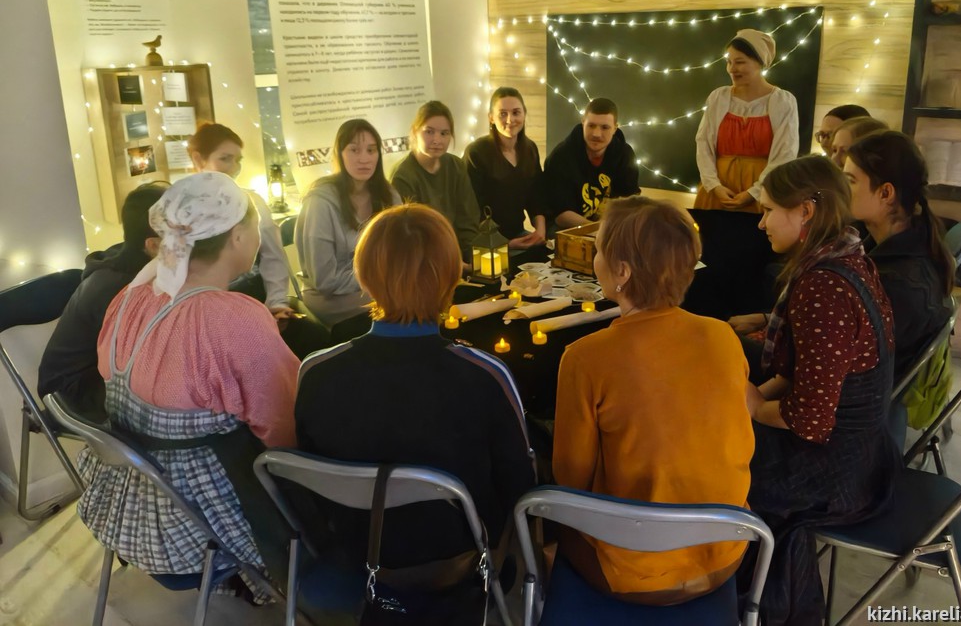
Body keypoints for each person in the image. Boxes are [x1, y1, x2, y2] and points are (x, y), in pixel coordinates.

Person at [75, 172, 299, 600]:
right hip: (202, 521)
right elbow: (282, 427)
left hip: (132, 504)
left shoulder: (130, 297)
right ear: (237, 237)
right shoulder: (232, 318)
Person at [296, 204, 535, 591]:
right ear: (453, 277)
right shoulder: (485, 375)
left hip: (354, 553)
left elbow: (312, 475)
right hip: (462, 558)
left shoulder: (315, 371)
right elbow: (520, 487)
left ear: (364, 277)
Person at [553, 196, 754, 605]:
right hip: (726, 551)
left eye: (598, 250)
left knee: (544, 512)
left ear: (622, 272)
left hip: (631, 573)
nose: (594, 259)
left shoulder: (585, 357)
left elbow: (571, 481)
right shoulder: (724, 337)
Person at [742, 155, 899, 626]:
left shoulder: (822, 287)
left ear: (805, 211)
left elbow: (810, 421)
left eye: (769, 210)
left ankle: (741, 598)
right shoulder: (849, 258)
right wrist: (756, 393)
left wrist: (752, 404)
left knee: (711, 458)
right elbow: (810, 374)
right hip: (864, 454)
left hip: (836, 474)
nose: (761, 223)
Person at [38, 182, 168, 420]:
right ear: (153, 245)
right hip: (72, 391)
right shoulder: (122, 289)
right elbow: (143, 356)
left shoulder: (138, 261)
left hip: (99, 375)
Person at [844, 130, 954, 380]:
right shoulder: (910, 242)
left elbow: (846, 366)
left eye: (850, 181)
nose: (842, 189)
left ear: (886, 193)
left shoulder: (896, 283)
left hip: (858, 396)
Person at [295, 119, 401, 328]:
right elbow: (325, 281)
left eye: (371, 150)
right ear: (340, 154)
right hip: (330, 298)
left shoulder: (388, 194)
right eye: (354, 150)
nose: (364, 159)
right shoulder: (320, 202)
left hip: (378, 285)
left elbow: (402, 252)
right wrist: (380, 277)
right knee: (403, 301)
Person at [187, 122, 294, 322]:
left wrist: (277, 302)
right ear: (198, 159)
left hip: (255, 299)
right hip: (206, 310)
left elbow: (273, 257)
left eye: (238, 160)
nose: (234, 168)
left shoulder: (252, 201)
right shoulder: (184, 209)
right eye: (225, 159)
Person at [693, 29, 799, 212]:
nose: (732, 69)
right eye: (729, 62)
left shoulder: (782, 101)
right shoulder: (719, 97)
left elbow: (785, 154)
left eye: (740, 62)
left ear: (760, 63)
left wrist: (754, 193)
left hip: (764, 191)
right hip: (718, 190)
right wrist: (714, 185)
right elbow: (703, 144)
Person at [391, 101, 480, 261]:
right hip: (424, 259)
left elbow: (468, 220)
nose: (437, 140)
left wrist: (473, 258)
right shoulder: (403, 177)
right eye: (429, 132)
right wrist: (449, 261)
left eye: (444, 133)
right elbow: (411, 236)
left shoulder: (456, 166)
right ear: (415, 132)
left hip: (459, 253)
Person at [464, 87, 547, 246]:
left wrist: (540, 231)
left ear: (524, 114)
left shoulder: (530, 149)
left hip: (519, 234)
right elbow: (472, 211)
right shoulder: (476, 153)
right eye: (503, 114)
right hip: (486, 242)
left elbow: (537, 197)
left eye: (516, 112)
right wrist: (506, 245)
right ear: (491, 118)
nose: (510, 120)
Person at [543, 97, 640, 229]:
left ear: (615, 128)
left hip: (607, 227)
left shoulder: (625, 154)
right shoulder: (560, 157)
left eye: (605, 127)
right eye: (591, 125)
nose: (596, 134)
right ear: (583, 123)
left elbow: (630, 203)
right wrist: (599, 231)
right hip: (565, 228)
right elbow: (561, 215)